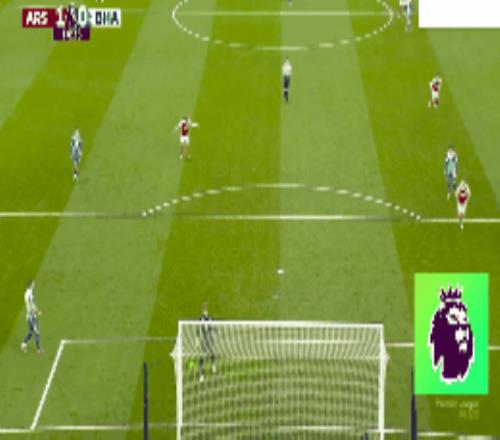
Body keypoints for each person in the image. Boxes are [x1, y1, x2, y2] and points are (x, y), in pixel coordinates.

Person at [21, 280, 42, 354]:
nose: (34, 285)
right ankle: (38, 350)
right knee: (36, 331)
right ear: (31, 285)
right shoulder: (29, 294)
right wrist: (37, 311)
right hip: (32, 316)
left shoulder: (27, 293)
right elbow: (31, 304)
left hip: (29, 316)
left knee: (31, 332)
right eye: (33, 284)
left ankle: (23, 345)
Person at [198, 303, 216, 383]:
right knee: (202, 356)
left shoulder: (210, 318)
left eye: (206, 310)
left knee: (211, 353)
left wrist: (212, 337)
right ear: (202, 311)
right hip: (203, 339)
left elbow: (212, 328)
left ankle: (213, 365)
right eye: (204, 310)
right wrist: (197, 339)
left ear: (207, 311)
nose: (205, 312)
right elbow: (198, 329)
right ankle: (202, 375)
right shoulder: (200, 319)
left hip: (209, 339)